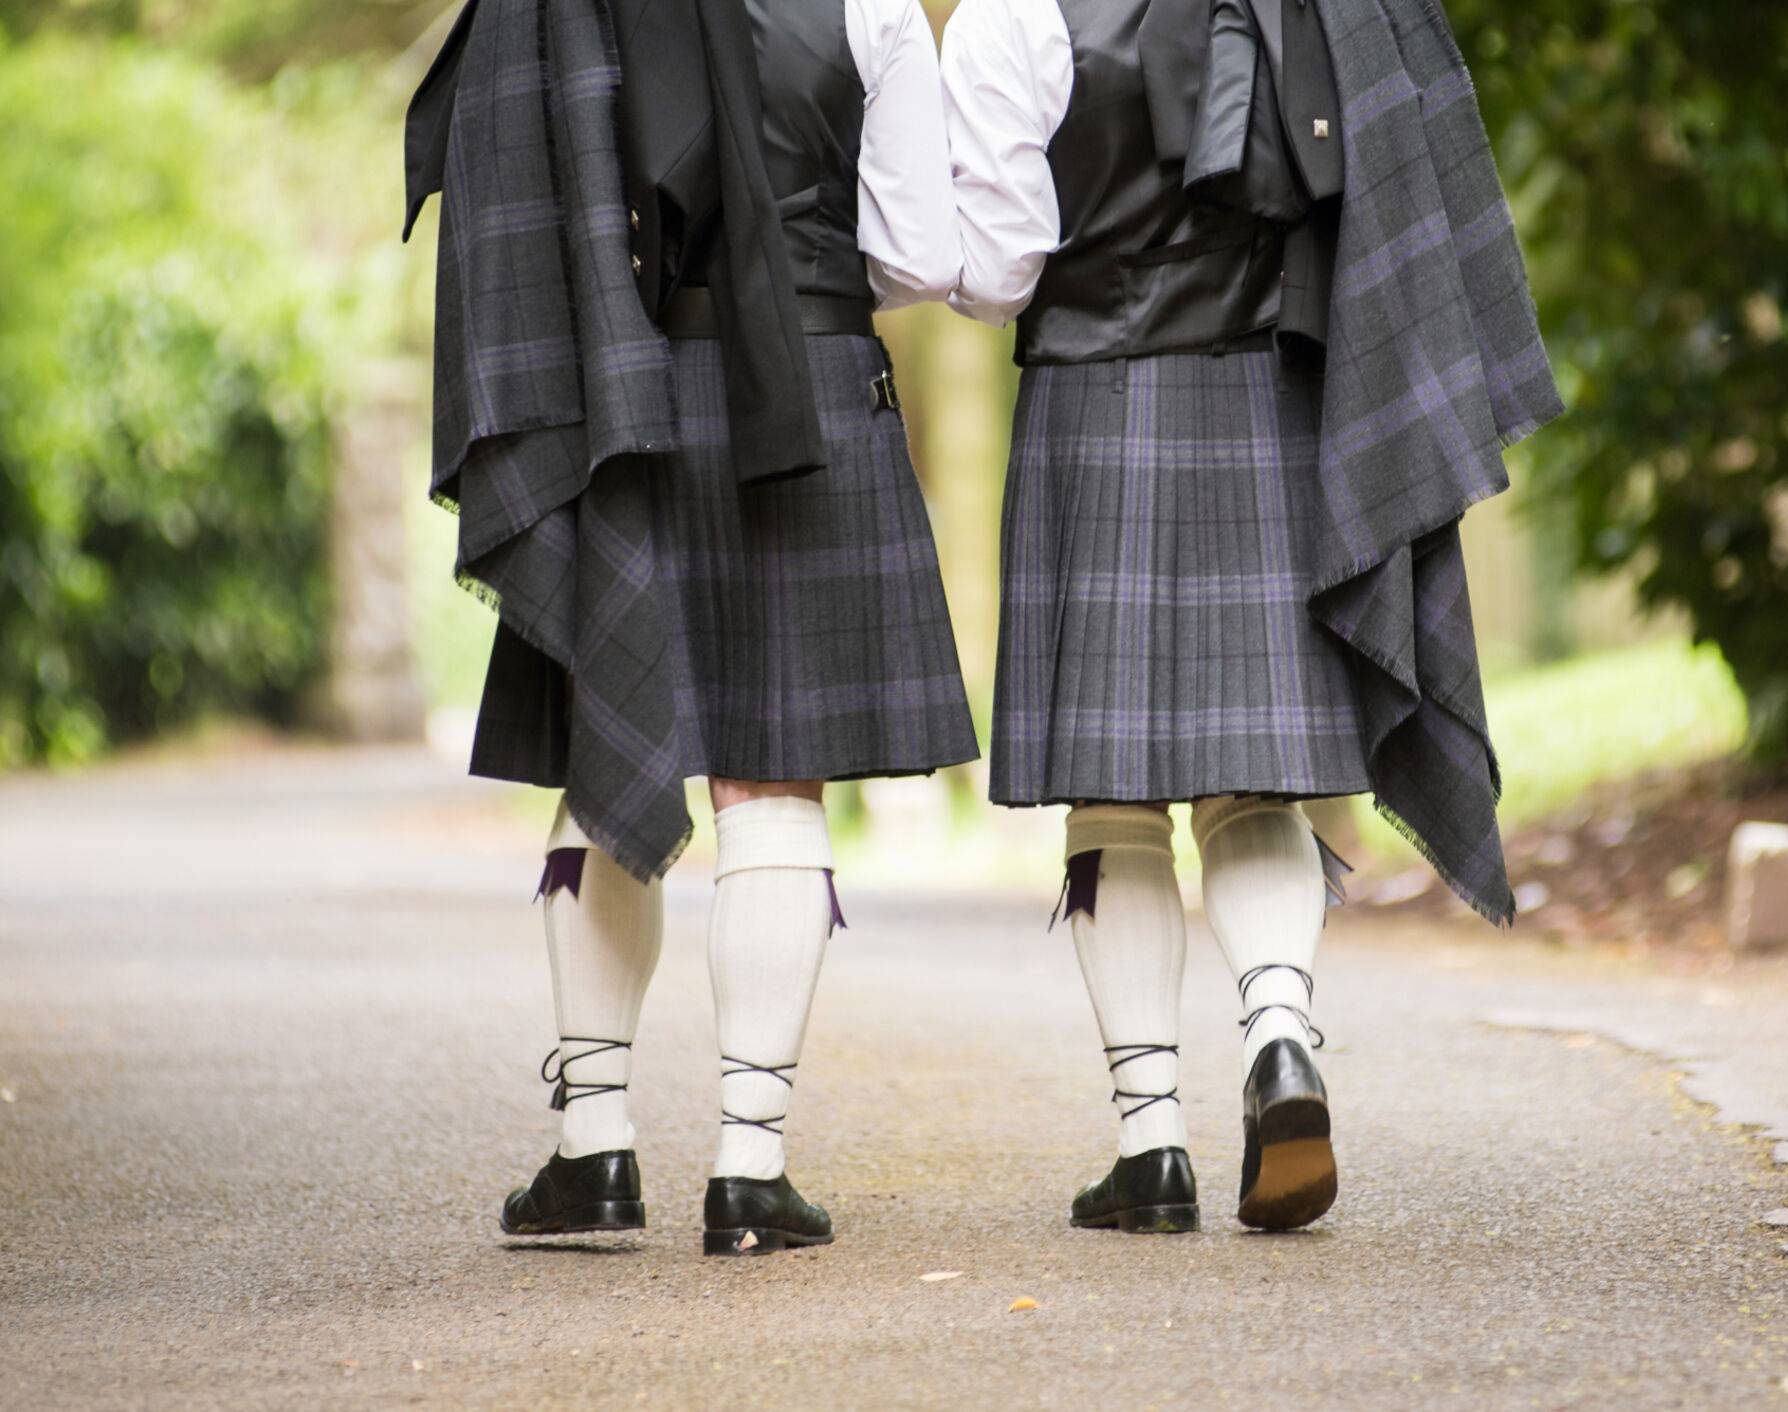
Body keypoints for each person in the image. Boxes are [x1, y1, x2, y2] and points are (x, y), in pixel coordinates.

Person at [941, 0, 1563, 1232]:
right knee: (1256, 783)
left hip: (1090, 394)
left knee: (1112, 797)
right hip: (1266, 396)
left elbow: (1000, 269)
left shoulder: (1008, 15)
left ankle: (1149, 1142)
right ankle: (1280, 1032)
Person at [404, 0, 976, 1255]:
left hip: (628, 389)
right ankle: (749, 1167)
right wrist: (804, 274)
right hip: (814, 380)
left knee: (613, 727)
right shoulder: (872, 5)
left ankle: (591, 1148)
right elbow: (926, 259)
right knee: (773, 774)